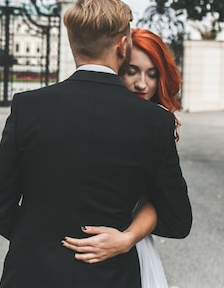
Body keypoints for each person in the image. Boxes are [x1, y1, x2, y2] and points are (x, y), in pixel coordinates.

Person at [0, 0, 192, 288]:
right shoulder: (155, 121)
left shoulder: (28, 106)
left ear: (72, 44)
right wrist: (124, 239)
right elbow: (178, 220)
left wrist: (41, 242)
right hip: (112, 276)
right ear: (122, 45)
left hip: (31, 274)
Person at [61, 28, 183, 288]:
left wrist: (126, 239)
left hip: (126, 245)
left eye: (152, 74)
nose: (142, 84)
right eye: (132, 71)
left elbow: (157, 200)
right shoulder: (80, 110)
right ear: (117, 66)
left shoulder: (157, 123)